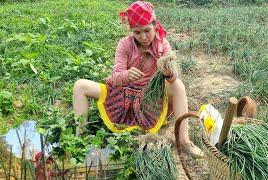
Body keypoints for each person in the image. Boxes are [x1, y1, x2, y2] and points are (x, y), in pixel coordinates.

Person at [73, 0, 202, 156]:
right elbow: (115, 77)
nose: (143, 37)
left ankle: (184, 141)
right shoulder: (125, 44)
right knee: (80, 85)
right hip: (123, 95)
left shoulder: (162, 45)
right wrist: (126, 76)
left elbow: (172, 80)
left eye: (147, 30)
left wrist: (169, 74)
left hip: (149, 98)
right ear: (131, 30)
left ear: (155, 25)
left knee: (179, 86)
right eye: (137, 32)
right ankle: (79, 137)